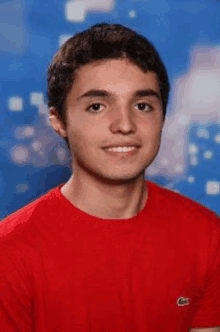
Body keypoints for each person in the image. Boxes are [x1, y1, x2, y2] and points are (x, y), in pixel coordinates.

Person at [0, 22, 220, 332]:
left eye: (142, 105)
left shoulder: (207, 235)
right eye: (97, 106)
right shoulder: (8, 253)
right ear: (59, 120)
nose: (124, 124)